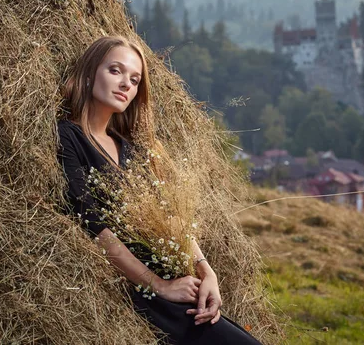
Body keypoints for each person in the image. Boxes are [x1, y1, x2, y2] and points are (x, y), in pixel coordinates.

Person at [57, 36, 262, 344]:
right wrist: (158, 286)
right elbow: (94, 226)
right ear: (89, 74)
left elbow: (171, 219)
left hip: (172, 282)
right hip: (136, 291)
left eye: (135, 79)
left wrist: (207, 273)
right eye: (116, 71)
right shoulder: (69, 137)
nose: (126, 83)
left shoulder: (134, 150)